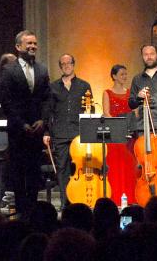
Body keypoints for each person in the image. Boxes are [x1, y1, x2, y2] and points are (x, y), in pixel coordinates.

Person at [0, 30, 49, 219]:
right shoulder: (9, 70)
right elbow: (6, 101)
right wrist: (21, 124)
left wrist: (43, 119)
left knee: (34, 171)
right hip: (18, 130)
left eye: (35, 43)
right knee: (18, 170)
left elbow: (46, 98)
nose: (33, 46)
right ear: (18, 47)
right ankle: (20, 210)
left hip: (37, 129)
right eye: (29, 44)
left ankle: (33, 210)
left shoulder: (42, 69)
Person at [43, 54, 92, 207]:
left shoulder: (84, 86)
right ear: (60, 66)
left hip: (79, 134)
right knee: (62, 168)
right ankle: (66, 203)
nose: (66, 66)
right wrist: (46, 132)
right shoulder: (53, 87)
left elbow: (90, 110)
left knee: (79, 168)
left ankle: (79, 201)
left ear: (73, 64)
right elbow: (48, 111)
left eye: (68, 63)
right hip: (60, 134)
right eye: (63, 64)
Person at [102, 64, 137, 205]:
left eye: (126, 74)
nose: (125, 77)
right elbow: (106, 112)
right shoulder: (107, 92)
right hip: (115, 135)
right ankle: (115, 197)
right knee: (115, 167)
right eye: (122, 74)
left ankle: (130, 197)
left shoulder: (130, 93)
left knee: (130, 165)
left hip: (129, 134)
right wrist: (118, 126)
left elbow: (135, 113)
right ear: (114, 76)